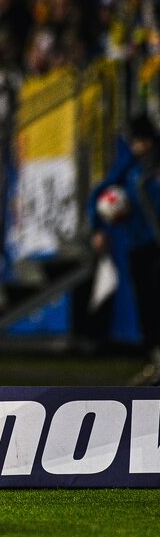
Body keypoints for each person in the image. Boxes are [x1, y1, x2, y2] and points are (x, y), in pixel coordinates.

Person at [87, 114, 160, 385]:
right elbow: (101, 193)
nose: (135, 146)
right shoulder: (129, 167)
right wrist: (98, 227)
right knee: (147, 302)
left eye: (139, 141)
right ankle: (154, 359)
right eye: (133, 141)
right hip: (140, 243)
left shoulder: (152, 167)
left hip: (153, 243)